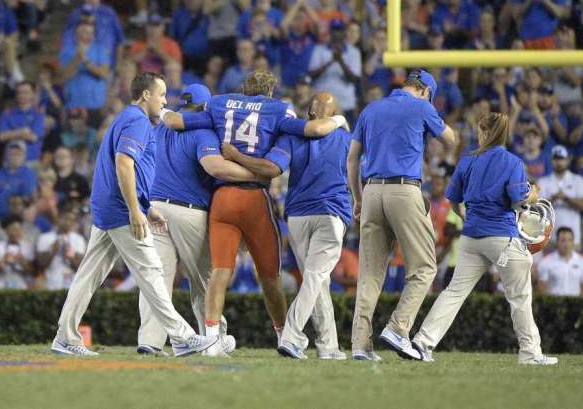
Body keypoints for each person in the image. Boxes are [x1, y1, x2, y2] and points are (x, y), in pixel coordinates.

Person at [161, 70, 347, 356]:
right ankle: (285, 335)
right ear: (270, 91)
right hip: (253, 197)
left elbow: (175, 120)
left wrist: (157, 107)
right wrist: (338, 119)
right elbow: (311, 132)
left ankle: (211, 338)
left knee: (219, 273)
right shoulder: (278, 109)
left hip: (221, 198)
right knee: (269, 276)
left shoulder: (219, 103)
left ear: (243, 88)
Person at [51, 72, 219, 357]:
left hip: (107, 206)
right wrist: (134, 209)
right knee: (152, 271)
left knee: (88, 276)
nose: (165, 101)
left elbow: (132, 169)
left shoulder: (126, 118)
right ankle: (183, 337)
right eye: (162, 94)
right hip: (120, 209)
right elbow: (124, 164)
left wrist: (147, 206)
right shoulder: (138, 121)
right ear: (145, 95)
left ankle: (64, 338)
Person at [412, 112, 558, 366]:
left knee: (454, 293)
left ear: (485, 132)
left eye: (481, 130)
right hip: (502, 236)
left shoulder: (467, 160)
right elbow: (519, 199)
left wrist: (467, 218)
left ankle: (423, 343)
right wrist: (533, 193)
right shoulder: (512, 161)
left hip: (471, 237)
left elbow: (453, 200)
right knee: (519, 297)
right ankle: (530, 353)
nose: (479, 134)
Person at [221, 92, 350, 360]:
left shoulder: (291, 138)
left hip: (298, 218)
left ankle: (329, 346)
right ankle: (291, 337)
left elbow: (269, 168)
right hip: (331, 213)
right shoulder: (345, 138)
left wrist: (236, 156)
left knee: (317, 281)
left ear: (310, 114)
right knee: (315, 278)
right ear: (337, 117)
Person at [136, 84, 258, 356]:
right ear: (205, 107)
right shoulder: (202, 131)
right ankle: (214, 339)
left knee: (157, 280)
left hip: (155, 207)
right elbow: (213, 166)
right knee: (204, 279)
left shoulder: (161, 129)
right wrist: (254, 174)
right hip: (188, 210)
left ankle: (150, 340)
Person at [348, 69, 456, 362]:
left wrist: (357, 198)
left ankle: (360, 344)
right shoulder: (422, 106)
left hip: (371, 192)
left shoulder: (370, 109)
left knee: (369, 275)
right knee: (423, 268)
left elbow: (352, 158)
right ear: (424, 90)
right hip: (404, 190)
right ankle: (398, 327)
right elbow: (451, 140)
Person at [537, 145, 583, 247]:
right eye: (556, 159)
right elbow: (537, 209)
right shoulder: (542, 181)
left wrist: (565, 198)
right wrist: (553, 198)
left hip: (573, 237)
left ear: (568, 160)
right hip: (548, 237)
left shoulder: (578, 180)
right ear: (551, 160)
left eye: (561, 159)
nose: (559, 162)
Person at [36, 203, 86, 290]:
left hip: (72, 282)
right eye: (65, 219)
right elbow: (40, 264)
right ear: (59, 219)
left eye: (72, 220)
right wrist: (52, 250)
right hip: (50, 281)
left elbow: (81, 267)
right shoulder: (45, 237)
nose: (68, 223)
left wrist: (71, 256)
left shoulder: (79, 239)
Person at [537, 227, 583, 297]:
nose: (566, 244)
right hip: (554, 304)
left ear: (573, 242)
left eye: (570, 240)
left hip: (575, 304)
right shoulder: (546, 262)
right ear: (557, 242)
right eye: (563, 240)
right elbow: (542, 289)